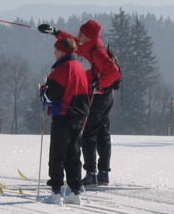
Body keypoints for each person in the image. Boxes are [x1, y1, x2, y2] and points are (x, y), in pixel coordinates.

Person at [38, 20, 121, 186]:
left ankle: (91, 173)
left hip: (98, 97)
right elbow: (72, 41)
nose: (79, 36)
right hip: (105, 97)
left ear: (89, 36)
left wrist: (100, 84)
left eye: (82, 34)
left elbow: (114, 73)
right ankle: (103, 173)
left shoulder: (96, 51)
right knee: (103, 133)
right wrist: (55, 32)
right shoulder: (89, 45)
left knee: (89, 134)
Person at [41, 37, 90, 205]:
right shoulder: (79, 67)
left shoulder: (62, 69)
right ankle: (75, 191)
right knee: (73, 154)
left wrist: (43, 90)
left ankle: (56, 192)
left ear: (63, 51)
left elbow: (51, 95)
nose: (54, 53)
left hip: (63, 115)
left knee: (57, 154)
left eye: (56, 49)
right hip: (79, 115)